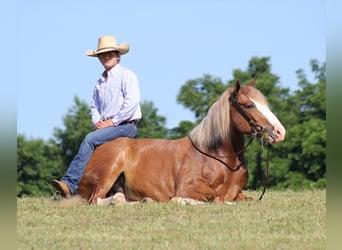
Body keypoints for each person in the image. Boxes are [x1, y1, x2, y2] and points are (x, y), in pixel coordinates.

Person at [51, 35, 142, 198]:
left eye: (109, 53)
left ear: (118, 56)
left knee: (90, 140)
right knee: (92, 141)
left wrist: (112, 122)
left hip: (125, 126)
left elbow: (132, 102)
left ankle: (70, 183)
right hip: (109, 126)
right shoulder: (99, 82)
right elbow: (94, 106)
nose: (105, 57)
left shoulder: (127, 75)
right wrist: (98, 122)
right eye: (102, 55)